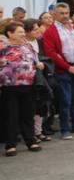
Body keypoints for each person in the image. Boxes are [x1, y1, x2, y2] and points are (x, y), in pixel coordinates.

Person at [41, 2, 74, 139]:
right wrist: (68, 67)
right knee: (65, 101)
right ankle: (65, 129)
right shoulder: (51, 31)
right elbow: (51, 53)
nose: (64, 16)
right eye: (61, 13)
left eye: (66, 13)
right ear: (54, 14)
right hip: (63, 70)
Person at [0, 21, 43, 155]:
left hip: (28, 85)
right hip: (9, 86)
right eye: (20, 32)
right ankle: (11, 145)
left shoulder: (28, 46)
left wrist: (39, 64)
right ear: (10, 34)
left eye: (23, 32)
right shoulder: (2, 48)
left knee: (27, 115)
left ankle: (31, 141)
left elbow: (36, 61)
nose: (23, 34)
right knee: (11, 116)